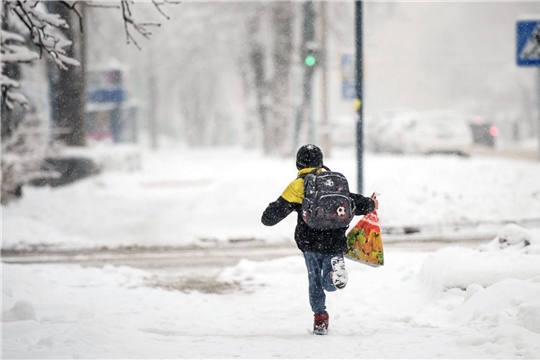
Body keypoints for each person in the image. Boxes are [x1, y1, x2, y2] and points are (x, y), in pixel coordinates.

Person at [261, 144, 378, 335]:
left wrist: (271, 211)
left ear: (298, 164)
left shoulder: (298, 185)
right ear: (321, 162)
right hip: (335, 240)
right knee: (328, 281)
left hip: (310, 242)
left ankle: (320, 318)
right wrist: (371, 203)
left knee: (314, 281)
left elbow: (270, 218)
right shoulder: (334, 182)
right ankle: (333, 275)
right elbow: (354, 201)